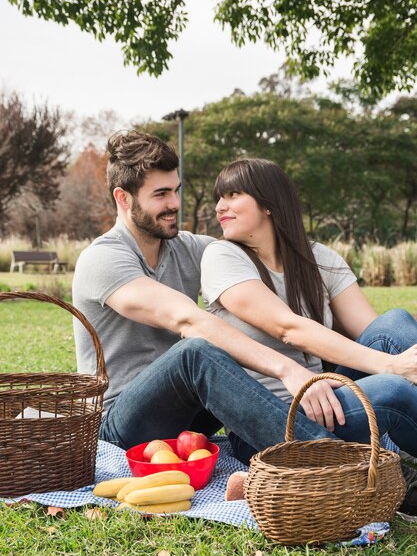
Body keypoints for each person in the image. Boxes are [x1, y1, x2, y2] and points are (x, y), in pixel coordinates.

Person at [72, 130, 347, 466]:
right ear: (123, 198)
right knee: (196, 352)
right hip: (122, 424)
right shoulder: (103, 259)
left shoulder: (193, 249)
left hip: (191, 414)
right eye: (160, 194)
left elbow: (255, 254)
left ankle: (356, 436)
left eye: (176, 191)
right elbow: (187, 320)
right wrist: (288, 370)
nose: (174, 203)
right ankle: (335, 461)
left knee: (223, 345)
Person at [200, 157, 417, 520]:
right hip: (273, 417)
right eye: (219, 197)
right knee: (393, 392)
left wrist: (398, 359)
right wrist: (392, 366)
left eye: (233, 194)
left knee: (394, 322)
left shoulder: (317, 257)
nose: (220, 206)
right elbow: (288, 327)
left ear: (269, 202)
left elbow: (373, 333)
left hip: (328, 399)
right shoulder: (222, 256)